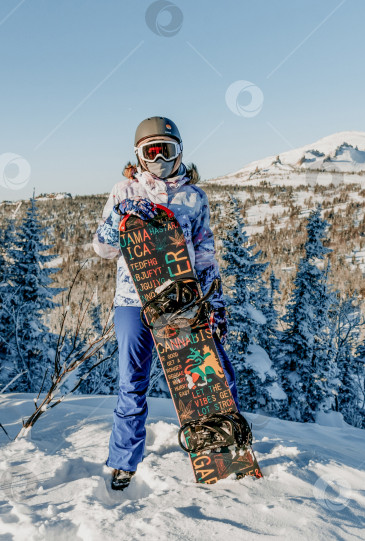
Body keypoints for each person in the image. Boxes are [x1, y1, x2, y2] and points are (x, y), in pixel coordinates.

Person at [92, 116, 239, 491]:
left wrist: (214, 302)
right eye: (151, 151)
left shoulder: (194, 198)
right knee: (132, 380)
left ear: (179, 152)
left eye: (166, 150)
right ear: (139, 156)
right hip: (133, 300)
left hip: (180, 303)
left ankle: (218, 449)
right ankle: (124, 461)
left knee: (202, 377)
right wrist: (120, 215)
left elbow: (204, 255)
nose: (159, 159)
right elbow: (103, 248)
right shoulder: (124, 191)